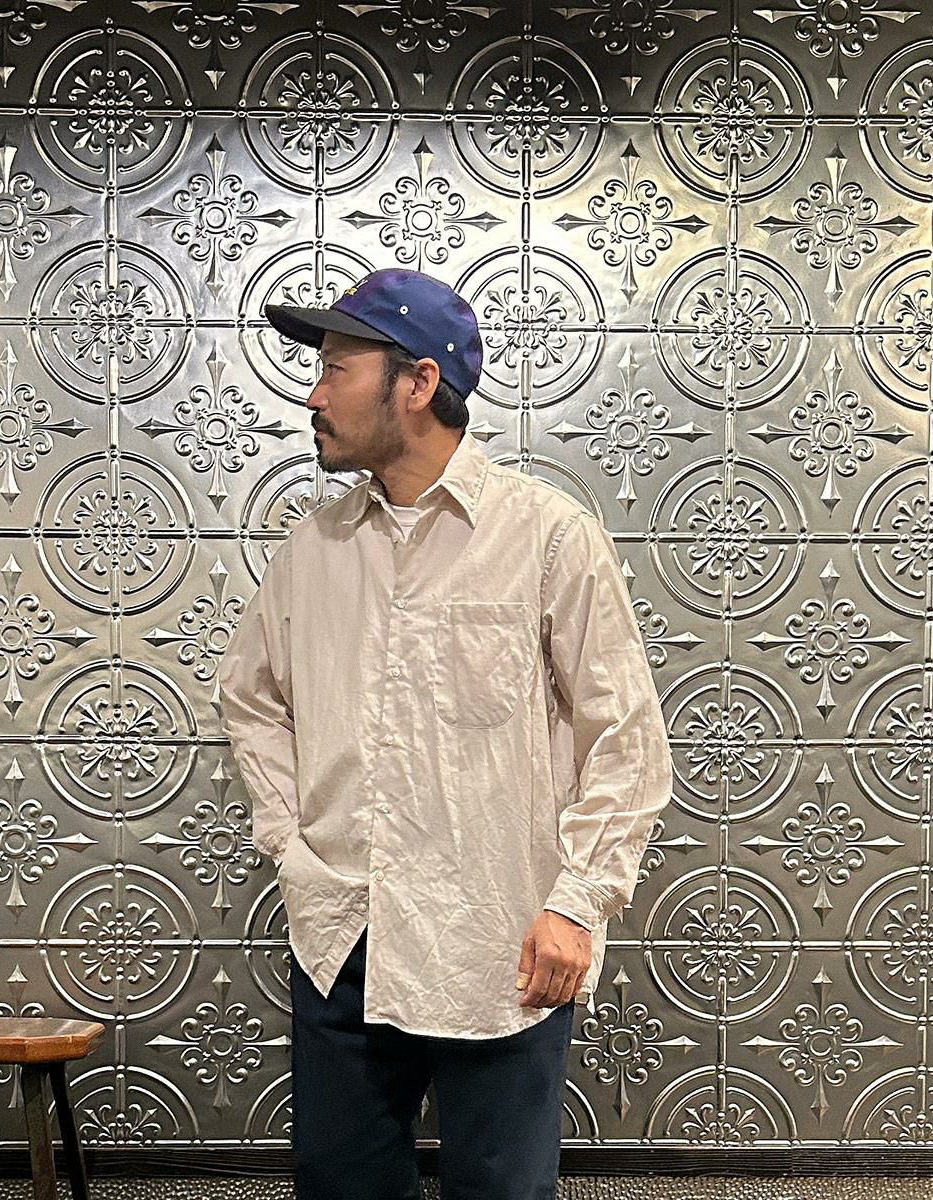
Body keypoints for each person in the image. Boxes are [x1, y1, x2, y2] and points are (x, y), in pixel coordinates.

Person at [216, 267, 674, 1199]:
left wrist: (577, 903)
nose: (314, 395)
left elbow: (625, 737)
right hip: (344, 933)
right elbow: (249, 697)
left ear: (418, 383)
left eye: (337, 368)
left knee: (501, 1192)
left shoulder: (546, 536)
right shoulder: (315, 545)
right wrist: (290, 845)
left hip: (500, 939)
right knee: (341, 1189)